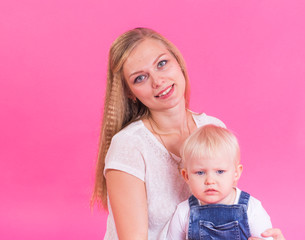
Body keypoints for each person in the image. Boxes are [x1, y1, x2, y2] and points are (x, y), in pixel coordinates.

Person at [91, 27, 286, 240]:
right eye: (140, 78)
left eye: (162, 64)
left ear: (178, 62)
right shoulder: (129, 146)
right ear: (130, 93)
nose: (158, 81)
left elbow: (225, 203)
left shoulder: (212, 127)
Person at [167, 125, 272, 240]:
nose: (210, 181)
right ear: (186, 176)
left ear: (236, 173)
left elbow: (267, 238)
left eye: (220, 171)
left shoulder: (251, 208)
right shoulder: (184, 212)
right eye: (200, 173)